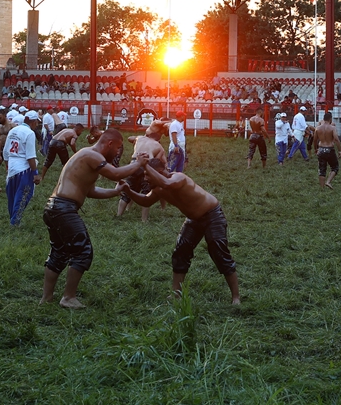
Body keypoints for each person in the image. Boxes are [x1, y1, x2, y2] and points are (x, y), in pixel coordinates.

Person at [41, 128, 144, 309]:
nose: (118, 152)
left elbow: (90, 191)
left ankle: (46, 298)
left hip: (55, 208)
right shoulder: (92, 155)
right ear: (110, 144)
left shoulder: (88, 158)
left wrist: (115, 192)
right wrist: (139, 163)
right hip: (63, 209)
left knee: (59, 252)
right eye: (118, 148)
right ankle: (68, 297)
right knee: (83, 251)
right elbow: (115, 173)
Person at [123, 157, 241, 304]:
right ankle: (176, 294)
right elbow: (146, 201)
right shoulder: (158, 189)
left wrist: (145, 165)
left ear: (159, 172)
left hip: (212, 215)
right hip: (193, 219)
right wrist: (128, 191)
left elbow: (167, 183)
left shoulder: (178, 177)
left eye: (148, 176)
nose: (145, 180)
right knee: (180, 252)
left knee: (218, 251)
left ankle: (236, 297)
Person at [117, 121, 166, 220]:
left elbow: (129, 138)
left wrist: (138, 138)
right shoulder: (158, 146)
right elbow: (159, 161)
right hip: (146, 165)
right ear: (159, 139)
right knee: (146, 194)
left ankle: (119, 215)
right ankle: (144, 220)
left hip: (134, 164)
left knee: (128, 190)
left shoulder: (139, 138)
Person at [4, 110, 42, 226]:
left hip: (12, 167)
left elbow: (5, 152)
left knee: (12, 196)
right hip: (24, 169)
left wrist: (7, 165)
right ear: (33, 122)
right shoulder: (30, 133)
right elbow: (30, 156)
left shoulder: (13, 131)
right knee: (23, 196)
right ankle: (15, 222)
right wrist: (35, 173)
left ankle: (13, 218)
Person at [313, 112, 341, 188]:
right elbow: (336, 139)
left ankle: (322, 188)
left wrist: (315, 149)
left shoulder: (318, 128)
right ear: (330, 119)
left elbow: (315, 140)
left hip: (321, 149)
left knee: (322, 169)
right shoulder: (332, 128)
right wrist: (339, 150)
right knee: (335, 167)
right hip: (330, 149)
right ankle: (328, 181)